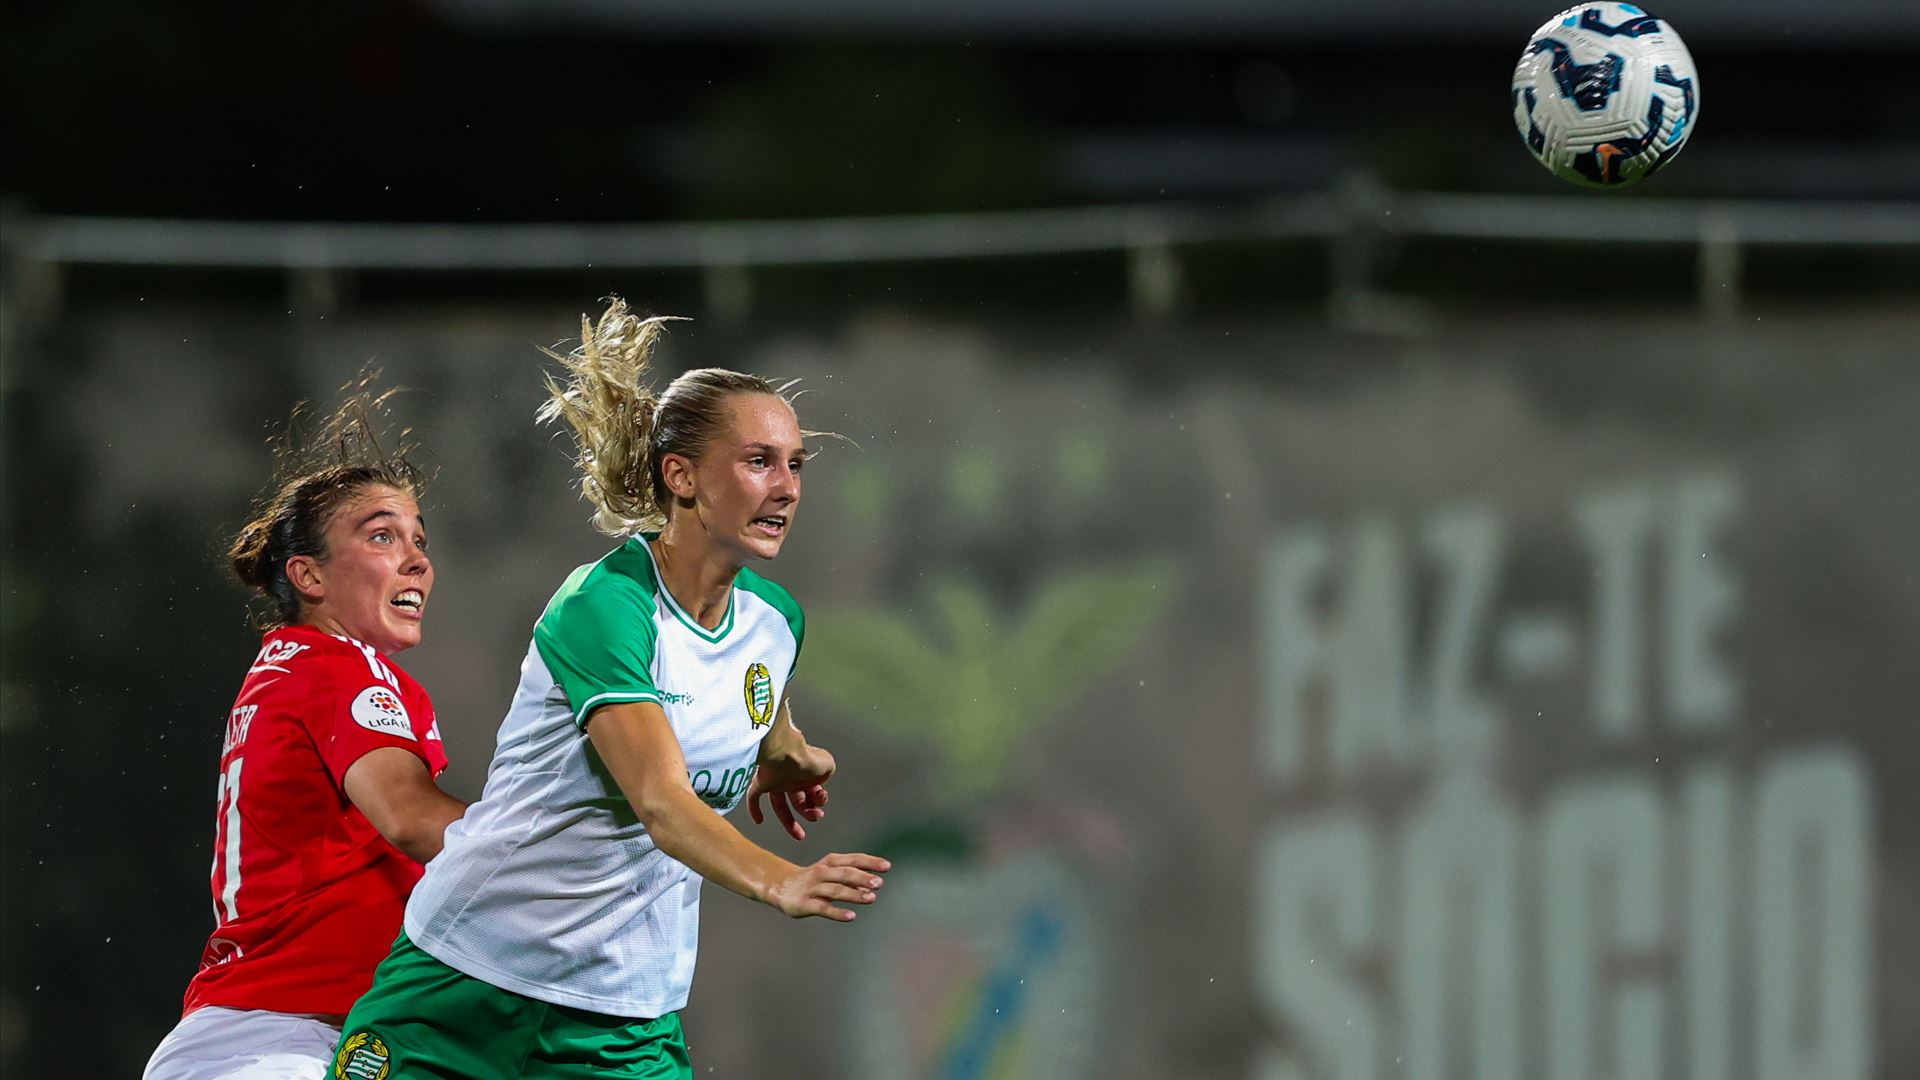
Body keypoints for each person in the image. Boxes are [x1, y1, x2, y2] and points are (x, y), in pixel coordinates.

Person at [332, 300, 889, 1079]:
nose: (787, 486)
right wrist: (781, 879)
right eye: (759, 460)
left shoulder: (775, 624)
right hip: (470, 988)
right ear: (681, 475)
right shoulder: (606, 607)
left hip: (626, 1019)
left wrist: (788, 759)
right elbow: (661, 802)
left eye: (797, 463)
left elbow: (759, 715)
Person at [144, 383, 468, 1080]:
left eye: (419, 539)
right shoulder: (343, 669)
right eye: (381, 536)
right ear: (309, 575)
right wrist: (559, 843)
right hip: (277, 1046)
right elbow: (415, 820)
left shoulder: (287, 668)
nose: (416, 559)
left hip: (256, 1040)